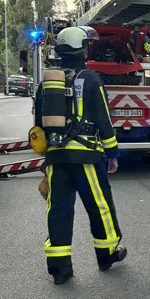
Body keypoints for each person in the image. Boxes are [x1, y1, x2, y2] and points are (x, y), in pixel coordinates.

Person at [35, 25, 127, 285]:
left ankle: (60, 268)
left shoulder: (47, 81)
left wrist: (48, 155)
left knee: (58, 210)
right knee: (100, 207)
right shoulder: (91, 78)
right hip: (86, 157)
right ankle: (107, 255)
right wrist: (112, 153)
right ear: (83, 49)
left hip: (56, 157)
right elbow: (103, 119)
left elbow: (38, 122)